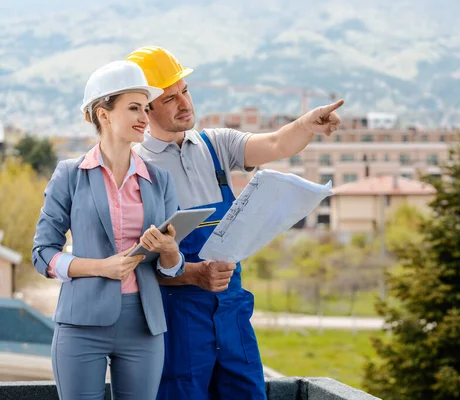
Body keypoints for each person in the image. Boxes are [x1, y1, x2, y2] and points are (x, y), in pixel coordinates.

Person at [127, 46, 343, 400]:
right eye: (169, 98)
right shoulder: (136, 167)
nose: (184, 103)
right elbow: (131, 260)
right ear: (145, 108)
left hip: (231, 309)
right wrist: (192, 273)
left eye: (186, 91)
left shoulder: (216, 145)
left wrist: (307, 124)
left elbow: (275, 143)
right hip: (177, 318)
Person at [32, 60, 186, 400]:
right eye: (134, 108)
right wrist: (101, 267)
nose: (145, 117)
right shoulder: (69, 175)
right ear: (104, 114)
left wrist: (170, 250)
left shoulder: (160, 181)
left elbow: (172, 269)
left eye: (145, 108)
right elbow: (42, 254)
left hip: (144, 325)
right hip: (80, 324)